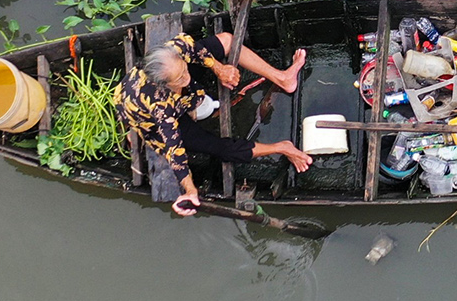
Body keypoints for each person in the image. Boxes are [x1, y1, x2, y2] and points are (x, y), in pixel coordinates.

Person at [118, 31, 312, 215]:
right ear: (165, 85)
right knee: (218, 147)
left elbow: (196, 51)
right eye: (180, 79)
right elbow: (176, 155)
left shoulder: (176, 50)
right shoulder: (161, 110)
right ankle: (282, 147)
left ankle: (283, 77)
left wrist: (220, 69)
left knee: (227, 40)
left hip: (178, 88)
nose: (187, 78)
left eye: (185, 71)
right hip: (150, 120)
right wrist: (191, 191)